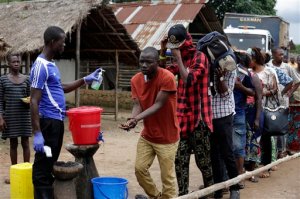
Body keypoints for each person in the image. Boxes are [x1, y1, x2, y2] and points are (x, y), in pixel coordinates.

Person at [30, 26, 100, 198]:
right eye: (62, 42)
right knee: (42, 170)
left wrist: (85, 79)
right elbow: (33, 100)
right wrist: (37, 133)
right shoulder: (40, 66)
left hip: (56, 123)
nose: (64, 45)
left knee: (49, 164)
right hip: (47, 124)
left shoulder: (51, 65)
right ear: (53, 42)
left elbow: (62, 88)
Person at [159, 24, 214, 196]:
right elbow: (164, 73)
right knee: (179, 160)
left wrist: (177, 58)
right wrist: (162, 52)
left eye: (178, 47)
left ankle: (211, 191)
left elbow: (188, 79)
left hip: (199, 119)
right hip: (182, 117)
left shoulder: (200, 57)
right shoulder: (180, 57)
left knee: (203, 161)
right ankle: (183, 194)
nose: (176, 50)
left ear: (185, 41)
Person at [120, 47, 179, 199]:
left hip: (167, 137)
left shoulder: (167, 77)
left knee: (167, 178)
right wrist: (132, 120)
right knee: (139, 170)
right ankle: (156, 196)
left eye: (148, 62)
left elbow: (158, 105)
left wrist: (136, 119)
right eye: (141, 61)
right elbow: (137, 105)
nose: (144, 65)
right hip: (148, 135)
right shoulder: (135, 80)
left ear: (157, 62)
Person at [210, 50, 240, 198]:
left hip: (224, 115)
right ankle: (218, 190)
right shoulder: (208, 65)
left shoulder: (230, 66)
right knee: (214, 155)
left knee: (227, 152)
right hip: (209, 117)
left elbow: (225, 93)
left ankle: (235, 187)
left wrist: (219, 76)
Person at [0, 53, 31, 184]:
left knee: (25, 143)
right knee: (13, 144)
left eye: (18, 61)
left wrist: (29, 101)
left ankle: (26, 173)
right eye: (14, 62)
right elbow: (0, 100)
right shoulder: (3, 80)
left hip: (25, 115)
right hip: (11, 116)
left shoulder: (27, 79)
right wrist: (0, 117)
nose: (17, 63)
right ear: (8, 64)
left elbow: (31, 96)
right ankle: (15, 174)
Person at [232, 51, 262, 187]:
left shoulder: (250, 76)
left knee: (243, 146)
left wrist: (257, 118)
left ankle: (242, 175)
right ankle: (234, 176)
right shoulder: (229, 72)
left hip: (244, 114)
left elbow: (257, 97)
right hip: (234, 113)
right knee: (235, 146)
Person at [248, 47, 279, 178]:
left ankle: (266, 166)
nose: (249, 61)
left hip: (266, 109)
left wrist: (261, 94)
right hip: (251, 110)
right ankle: (251, 166)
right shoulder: (248, 72)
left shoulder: (269, 72)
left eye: (250, 59)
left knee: (265, 138)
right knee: (252, 138)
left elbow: (275, 89)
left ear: (255, 59)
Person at [266, 48, 300, 159]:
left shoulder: (287, 67)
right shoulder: (268, 66)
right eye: (280, 55)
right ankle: (272, 152)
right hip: (269, 102)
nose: (282, 57)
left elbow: (296, 81)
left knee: (282, 125)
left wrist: (288, 93)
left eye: (283, 55)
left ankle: (282, 150)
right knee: (271, 125)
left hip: (283, 102)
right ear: (273, 55)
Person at [287, 55, 300, 154]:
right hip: (293, 102)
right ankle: (292, 147)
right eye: (299, 60)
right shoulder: (292, 71)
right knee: (292, 125)